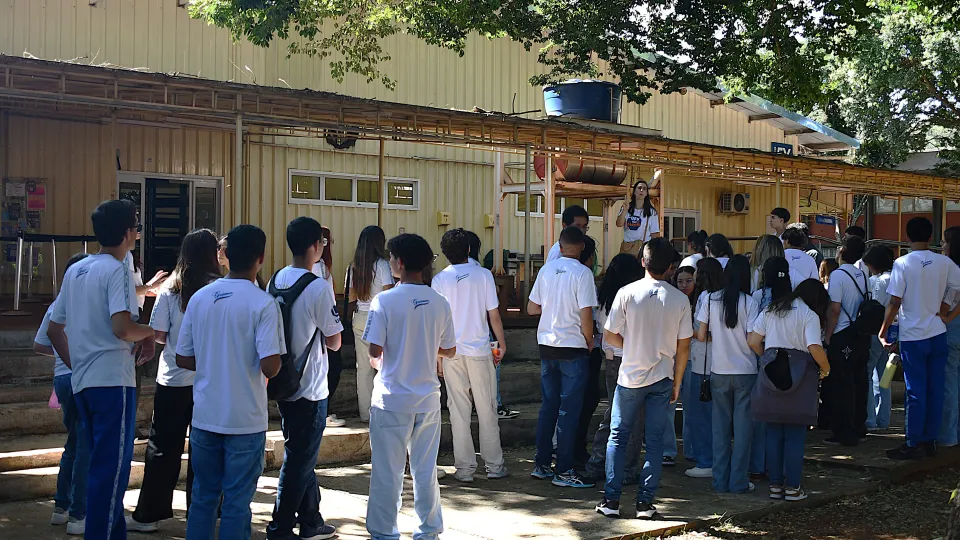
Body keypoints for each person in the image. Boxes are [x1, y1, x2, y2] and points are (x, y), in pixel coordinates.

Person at [47, 199, 156, 539]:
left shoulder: (77, 270)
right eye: (136, 227)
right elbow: (122, 328)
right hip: (112, 382)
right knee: (112, 471)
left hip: (83, 382)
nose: (137, 233)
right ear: (127, 233)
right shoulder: (116, 269)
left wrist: (76, 363)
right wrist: (151, 333)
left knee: (97, 465)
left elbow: (54, 328)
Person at [176, 224, 285, 540]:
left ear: (224, 255)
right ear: (260, 258)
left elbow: (183, 358)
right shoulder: (263, 303)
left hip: (206, 416)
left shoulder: (200, 298)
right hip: (245, 420)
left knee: (203, 498)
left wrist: (214, 361)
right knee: (237, 504)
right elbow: (270, 366)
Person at [362, 233, 457, 540]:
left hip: (391, 400)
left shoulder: (384, 300)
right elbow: (451, 350)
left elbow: (374, 351)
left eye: (391, 259)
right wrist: (426, 347)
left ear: (399, 263)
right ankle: (429, 531)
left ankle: (384, 533)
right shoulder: (439, 302)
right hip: (427, 400)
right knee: (426, 471)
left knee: (387, 473)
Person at [126, 229, 221, 534]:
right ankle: (204, 510)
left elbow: (159, 336)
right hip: (210, 381)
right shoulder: (219, 289)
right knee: (204, 448)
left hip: (173, 380)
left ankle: (148, 515)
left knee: (163, 447)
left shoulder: (169, 289)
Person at [597, 238, 692, 519]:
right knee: (654, 441)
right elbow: (684, 346)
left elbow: (610, 334)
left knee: (618, 437)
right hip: (663, 376)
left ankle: (612, 501)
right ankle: (645, 503)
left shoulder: (626, 292)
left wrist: (633, 345)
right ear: (671, 267)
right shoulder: (680, 299)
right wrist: (677, 381)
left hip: (629, 376)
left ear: (643, 262)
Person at [266, 217, 345, 540]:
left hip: (283, 380)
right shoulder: (317, 286)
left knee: (301, 452)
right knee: (299, 459)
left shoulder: (276, 279)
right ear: (315, 246)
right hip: (310, 384)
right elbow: (335, 340)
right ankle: (281, 526)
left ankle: (311, 519)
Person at [430, 229, 509, 482]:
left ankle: (464, 469)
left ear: (445, 253)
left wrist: (438, 358)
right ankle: (495, 466)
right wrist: (502, 343)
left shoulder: (439, 280)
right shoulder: (484, 275)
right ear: (468, 250)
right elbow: (493, 315)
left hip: (451, 350)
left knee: (458, 409)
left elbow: (438, 323)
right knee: (487, 408)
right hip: (479, 349)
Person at [881, 218, 960, 459]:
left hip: (913, 335)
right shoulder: (944, 262)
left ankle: (913, 441)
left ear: (907, 236)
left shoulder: (902, 263)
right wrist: (948, 314)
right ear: (931, 235)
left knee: (915, 390)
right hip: (937, 332)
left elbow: (895, 301)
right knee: (936, 388)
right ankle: (930, 440)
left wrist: (883, 329)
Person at [747, 274, 831, 502]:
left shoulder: (772, 309)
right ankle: (793, 487)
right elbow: (814, 346)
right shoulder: (809, 314)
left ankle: (775, 486)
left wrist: (767, 358)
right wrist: (826, 368)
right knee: (795, 435)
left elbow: (754, 341)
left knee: (773, 433)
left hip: (772, 373)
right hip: (801, 376)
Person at [527, 226, 597, 488]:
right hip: (573, 346)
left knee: (549, 408)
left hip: (547, 345)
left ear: (559, 244)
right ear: (580, 246)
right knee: (569, 411)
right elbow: (586, 314)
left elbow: (532, 307)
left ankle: (542, 464)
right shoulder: (583, 273)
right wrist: (590, 342)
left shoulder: (546, 271)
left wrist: (553, 307)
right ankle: (565, 470)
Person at [35, 252, 90, 535]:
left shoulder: (57, 305)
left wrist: (61, 358)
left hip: (62, 379)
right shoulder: (86, 303)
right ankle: (78, 514)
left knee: (73, 443)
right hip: (83, 377)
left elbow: (41, 344)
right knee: (84, 448)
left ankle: (61, 506)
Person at [696, 255, 760, 494]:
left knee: (719, 429)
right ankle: (738, 481)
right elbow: (753, 340)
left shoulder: (710, 299)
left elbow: (701, 335)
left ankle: (719, 481)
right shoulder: (750, 302)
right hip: (746, 371)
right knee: (743, 431)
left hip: (718, 371)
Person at [584, 254, 646, 482]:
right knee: (634, 419)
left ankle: (597, 464)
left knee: (614, 414)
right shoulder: (634, 298)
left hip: (610, 359)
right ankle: (625, 469)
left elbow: (602, 329)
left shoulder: (604, 298)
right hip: (631, 359)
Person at [823, 234, 869, 447]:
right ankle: (859, 425)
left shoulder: (838, 276)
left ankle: (843, 430)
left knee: (841, 384)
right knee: (858, 381)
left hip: (842, 333)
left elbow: (834, 308)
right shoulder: (863, 274)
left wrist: (828, 335)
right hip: (859, 334)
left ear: (842, 251)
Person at [349, 226, 395, 423]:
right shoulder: (383, 266)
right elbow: (389, 295)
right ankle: (383, 410)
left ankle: (365, 413)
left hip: (359, 318)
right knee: (384, 366)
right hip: (379, 318)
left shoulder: (354, 266)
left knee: (363, 368)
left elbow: (351, 297)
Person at [684, 258, 725, 479]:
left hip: (702, 361)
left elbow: (701, 333)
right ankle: (718, 459)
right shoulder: (732, 297)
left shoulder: (705, 298)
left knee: (700, 415)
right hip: (724, 363)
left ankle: (705, 460)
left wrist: (684, 329)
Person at [312, 226, 347, 428]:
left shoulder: (323, 265)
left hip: (327, 322)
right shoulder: (317, 268)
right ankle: (322, 411)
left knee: (332, 368)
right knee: (331, 368)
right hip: (324, 325)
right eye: (325, 241)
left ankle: (323, 409)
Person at [574, 236, 604, 467]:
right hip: (584, 345)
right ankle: (575, 450)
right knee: (585, 400)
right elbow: (589, 317)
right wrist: (590, 340)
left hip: (557, 344)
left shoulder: (555, 273)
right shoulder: (584, 278)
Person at [862, 246, 895, 432]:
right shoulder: (896, 278)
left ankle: (870, 419)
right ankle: (884, 419)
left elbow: (874, 305)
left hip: (875, 330)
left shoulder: (876, 281)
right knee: (885, 376)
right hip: (893, 330)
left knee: (868, 373)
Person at [941, 227, 960, 447]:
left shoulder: (950, 271)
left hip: (952, 328)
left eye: (945, 242)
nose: (942, 245)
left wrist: (946, 315)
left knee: (949, 381)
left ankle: (947, 436)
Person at [616, 180, 661, 257]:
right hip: (627, 248)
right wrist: (625, 210)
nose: (641, 190)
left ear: (646, 193)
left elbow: (654, 234)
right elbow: (619, 224)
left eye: (644, 189)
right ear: (634, 192)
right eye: (639, 188)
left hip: (644, 248)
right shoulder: (627, 208)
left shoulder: (652, 212)